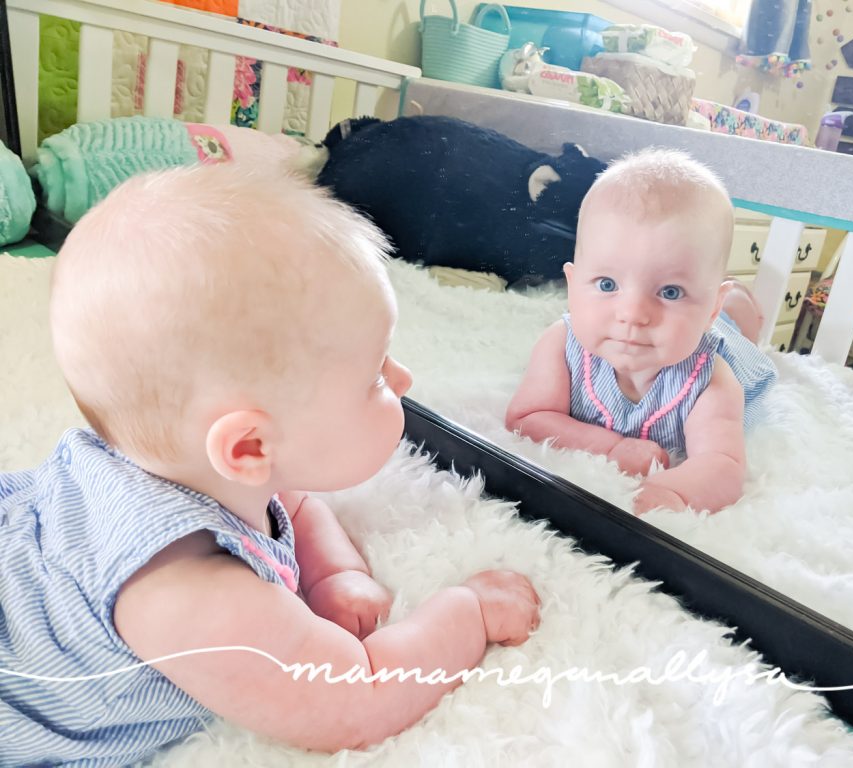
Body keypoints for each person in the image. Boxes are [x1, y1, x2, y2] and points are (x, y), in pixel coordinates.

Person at [0, 164, 541, 767]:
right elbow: (357, 700)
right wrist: (469, 613)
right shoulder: (192, 596)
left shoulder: (190, 467)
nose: (404, 379)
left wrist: (333, 575)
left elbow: (292, 502)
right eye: (374, 376)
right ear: (250, 448)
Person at [506, 148, 777, 515]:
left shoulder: (711, 378)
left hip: (722, 337)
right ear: (571, 285)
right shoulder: (562, 343)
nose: (632, 315)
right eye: (606, 284)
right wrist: (610, 446)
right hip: (700, 320)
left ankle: (736, 308)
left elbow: (722, 463)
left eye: (670, 292)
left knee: (740, 328)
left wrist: (673, 492)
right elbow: (527, 417)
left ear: (709, 304)